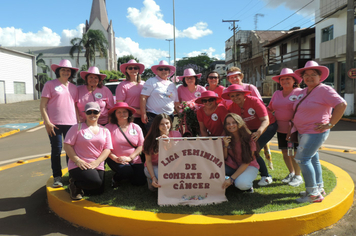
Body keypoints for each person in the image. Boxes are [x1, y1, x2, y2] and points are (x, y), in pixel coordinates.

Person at [291, 61, 347, 203]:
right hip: (303, 131)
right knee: (313, 159)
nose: (309, 77)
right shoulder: (304, 91)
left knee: (302, 159)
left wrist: (331, 123)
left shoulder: (324, 90)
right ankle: (318, 187)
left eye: (313, 75)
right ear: (303, 78)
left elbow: (341, 104)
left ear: (320, 77)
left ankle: (313, 194)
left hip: (314, 132)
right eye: (306, 75)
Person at [222, 84, 277, 186]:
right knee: (250, 150)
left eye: (238, 95)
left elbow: (266, 120)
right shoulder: (232, 107)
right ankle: (244, 172)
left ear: (243, 94)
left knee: (254, 150)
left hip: (267, 126)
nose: (235, 98)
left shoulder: (254, 101)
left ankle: (266, 175)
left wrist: (259, 132)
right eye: (232, 96)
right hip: (251, 129)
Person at [40, 59, 79, 188]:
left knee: (71, 151)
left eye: (68, 70)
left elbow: (75, 106)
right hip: (54, 124)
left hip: (72, 123)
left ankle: (72, 175)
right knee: (56, 150)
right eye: (63, 69)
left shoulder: (74, 87)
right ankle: (57, 177)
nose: (66, 72)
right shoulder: (50, 84)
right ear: (58, 71)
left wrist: (78, 123)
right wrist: (47, 122)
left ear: (71, 73)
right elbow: (43, 105)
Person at [64, 102, 112, 200]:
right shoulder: (76, 128)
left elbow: (107, 149)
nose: (92, 114)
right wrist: (77, 160)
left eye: (95, 112)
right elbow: (67, 145)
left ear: (99, 113)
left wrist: (97, 162)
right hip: (80, 164)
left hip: (96, 164)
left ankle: (81, 183)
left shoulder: (105, 130)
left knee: (98, 190)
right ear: (85, 113)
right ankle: (75, 184)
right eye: (89, 112)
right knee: (95, 182)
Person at [268, 68, 303, 187]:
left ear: (294, 80)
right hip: (280, 128)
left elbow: (302, 110)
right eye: (282, 79)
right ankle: (291, 173)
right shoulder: (277, 93)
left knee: (295, 153)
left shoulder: (300, 92)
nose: (285, 81)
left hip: (294, 128)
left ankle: (298, 176)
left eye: (288, 78)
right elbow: (270, 108)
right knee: (285, 152)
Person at [105, 102, 146, 187]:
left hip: (133, 158)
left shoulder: (136, 127)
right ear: (114, 114)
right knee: (126, 171)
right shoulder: (108, 128)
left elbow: (141, 145)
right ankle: (116, 178)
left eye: (124, 111)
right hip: (116, 159)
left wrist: (130, 158)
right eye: (118, 112)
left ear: (129, 113)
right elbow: (105, 147)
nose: (122, 114)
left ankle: (129, 174)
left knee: (140, 181)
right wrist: (115, 158)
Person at [142, 114, 182, 191]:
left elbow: (179, 155)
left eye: (167, 123)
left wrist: (167, 145)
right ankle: (151, 179)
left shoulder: (176, 134)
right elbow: (148, 161)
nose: (165, 126)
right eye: (161, 124)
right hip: (154, 166)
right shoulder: (150, 138)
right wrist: (153, 177)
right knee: (165, 180)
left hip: (170, 164)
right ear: (157, 125)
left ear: (170, 123)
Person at [221, 113, 259, 192]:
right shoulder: (226, 137)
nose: (231, 125)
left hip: (249, 166)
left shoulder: (249, 138)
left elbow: (247, 162)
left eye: (234, 122)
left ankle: (246, 185)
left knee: (241, 184)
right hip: (233, 166)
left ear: (239, 123)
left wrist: (231, 179)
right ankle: (234, 179)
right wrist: (225, 146)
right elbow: (224, 158)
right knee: (214, 169)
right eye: (228, 123)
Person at [140, 60, 179, 131]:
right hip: (154, 116)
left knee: (166, 138)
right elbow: (143, 97)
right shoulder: (151, 81)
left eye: (166, 69)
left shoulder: (172, 85)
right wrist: (143, 114)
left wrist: (180, 116)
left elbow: (176, 102)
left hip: (169, 116)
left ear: (169, 71)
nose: (163, 71)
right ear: (157, 71)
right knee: (154, 139)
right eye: (161, 69)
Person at [116, 59, 146, 134]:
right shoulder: (122, 85)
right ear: (126, 70)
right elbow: (120, 104)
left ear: (138, 70)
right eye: (130, 68)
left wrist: (144, 113)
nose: (133, 70)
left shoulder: (144, 84)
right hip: (130, 118)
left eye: (135, 68)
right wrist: (139, 111)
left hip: (145, 118)